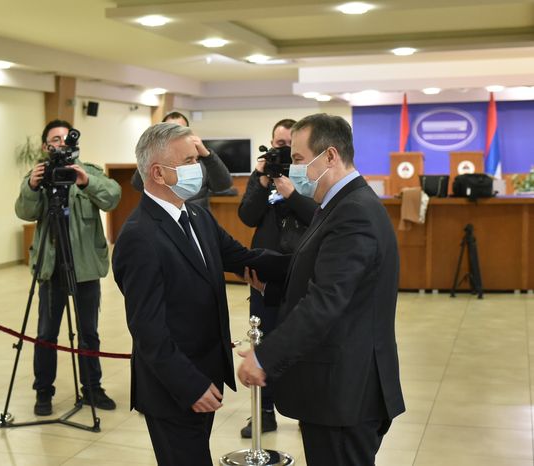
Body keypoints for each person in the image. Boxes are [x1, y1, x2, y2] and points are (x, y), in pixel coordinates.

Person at [112, 123, 288, 466]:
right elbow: (147, 329)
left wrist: (312, 261)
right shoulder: (139, 236)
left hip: (206, 373)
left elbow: (245, 259)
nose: (198, 169)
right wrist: (189, 384)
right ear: (158, 173)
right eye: (189, 161)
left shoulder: (196, 215)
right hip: (173, 386)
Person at [237, 113, 405, 466]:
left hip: (345, 390)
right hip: (335, 387)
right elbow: (318, 268)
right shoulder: (339, 205)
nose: (295, 169)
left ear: (330, 156)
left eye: (299, 159)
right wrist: (264, 278)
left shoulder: (353, 212)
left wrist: (265, 356)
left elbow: (325, 301)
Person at [15, 119, 122, 416]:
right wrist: (32, 185)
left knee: (88, 332)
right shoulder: (39, 176)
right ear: (44, 146)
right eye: (55, 139)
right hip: (51, 267)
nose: (61, 143)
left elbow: (112, 197)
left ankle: (92, 388)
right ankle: (43, 391)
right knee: (46, 334)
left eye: (65, 139)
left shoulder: (89, 172)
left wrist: (85, 181)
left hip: (85, 266)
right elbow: (24, 211)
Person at [236, 118, 317, 437]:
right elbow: (247, 216)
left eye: (289, 145)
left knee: (302, 341)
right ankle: (264, 411)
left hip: (301, 270)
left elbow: (318, 217)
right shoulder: (263, 175)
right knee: (264, 339)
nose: (282, 150)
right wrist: (261, 179)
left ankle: (305, 410)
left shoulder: (309, 174)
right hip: (265, 272)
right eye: (279, 144)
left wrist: (292, 193)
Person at [131, 111, 233, 210]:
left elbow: (223, 185)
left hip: (197, 215)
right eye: (170, 132)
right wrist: (151, 156)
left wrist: (207, 155)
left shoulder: (202, 159)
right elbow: (138, 185)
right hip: (163, 215)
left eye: (179, 130)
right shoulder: (158, 161)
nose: (175, 136)